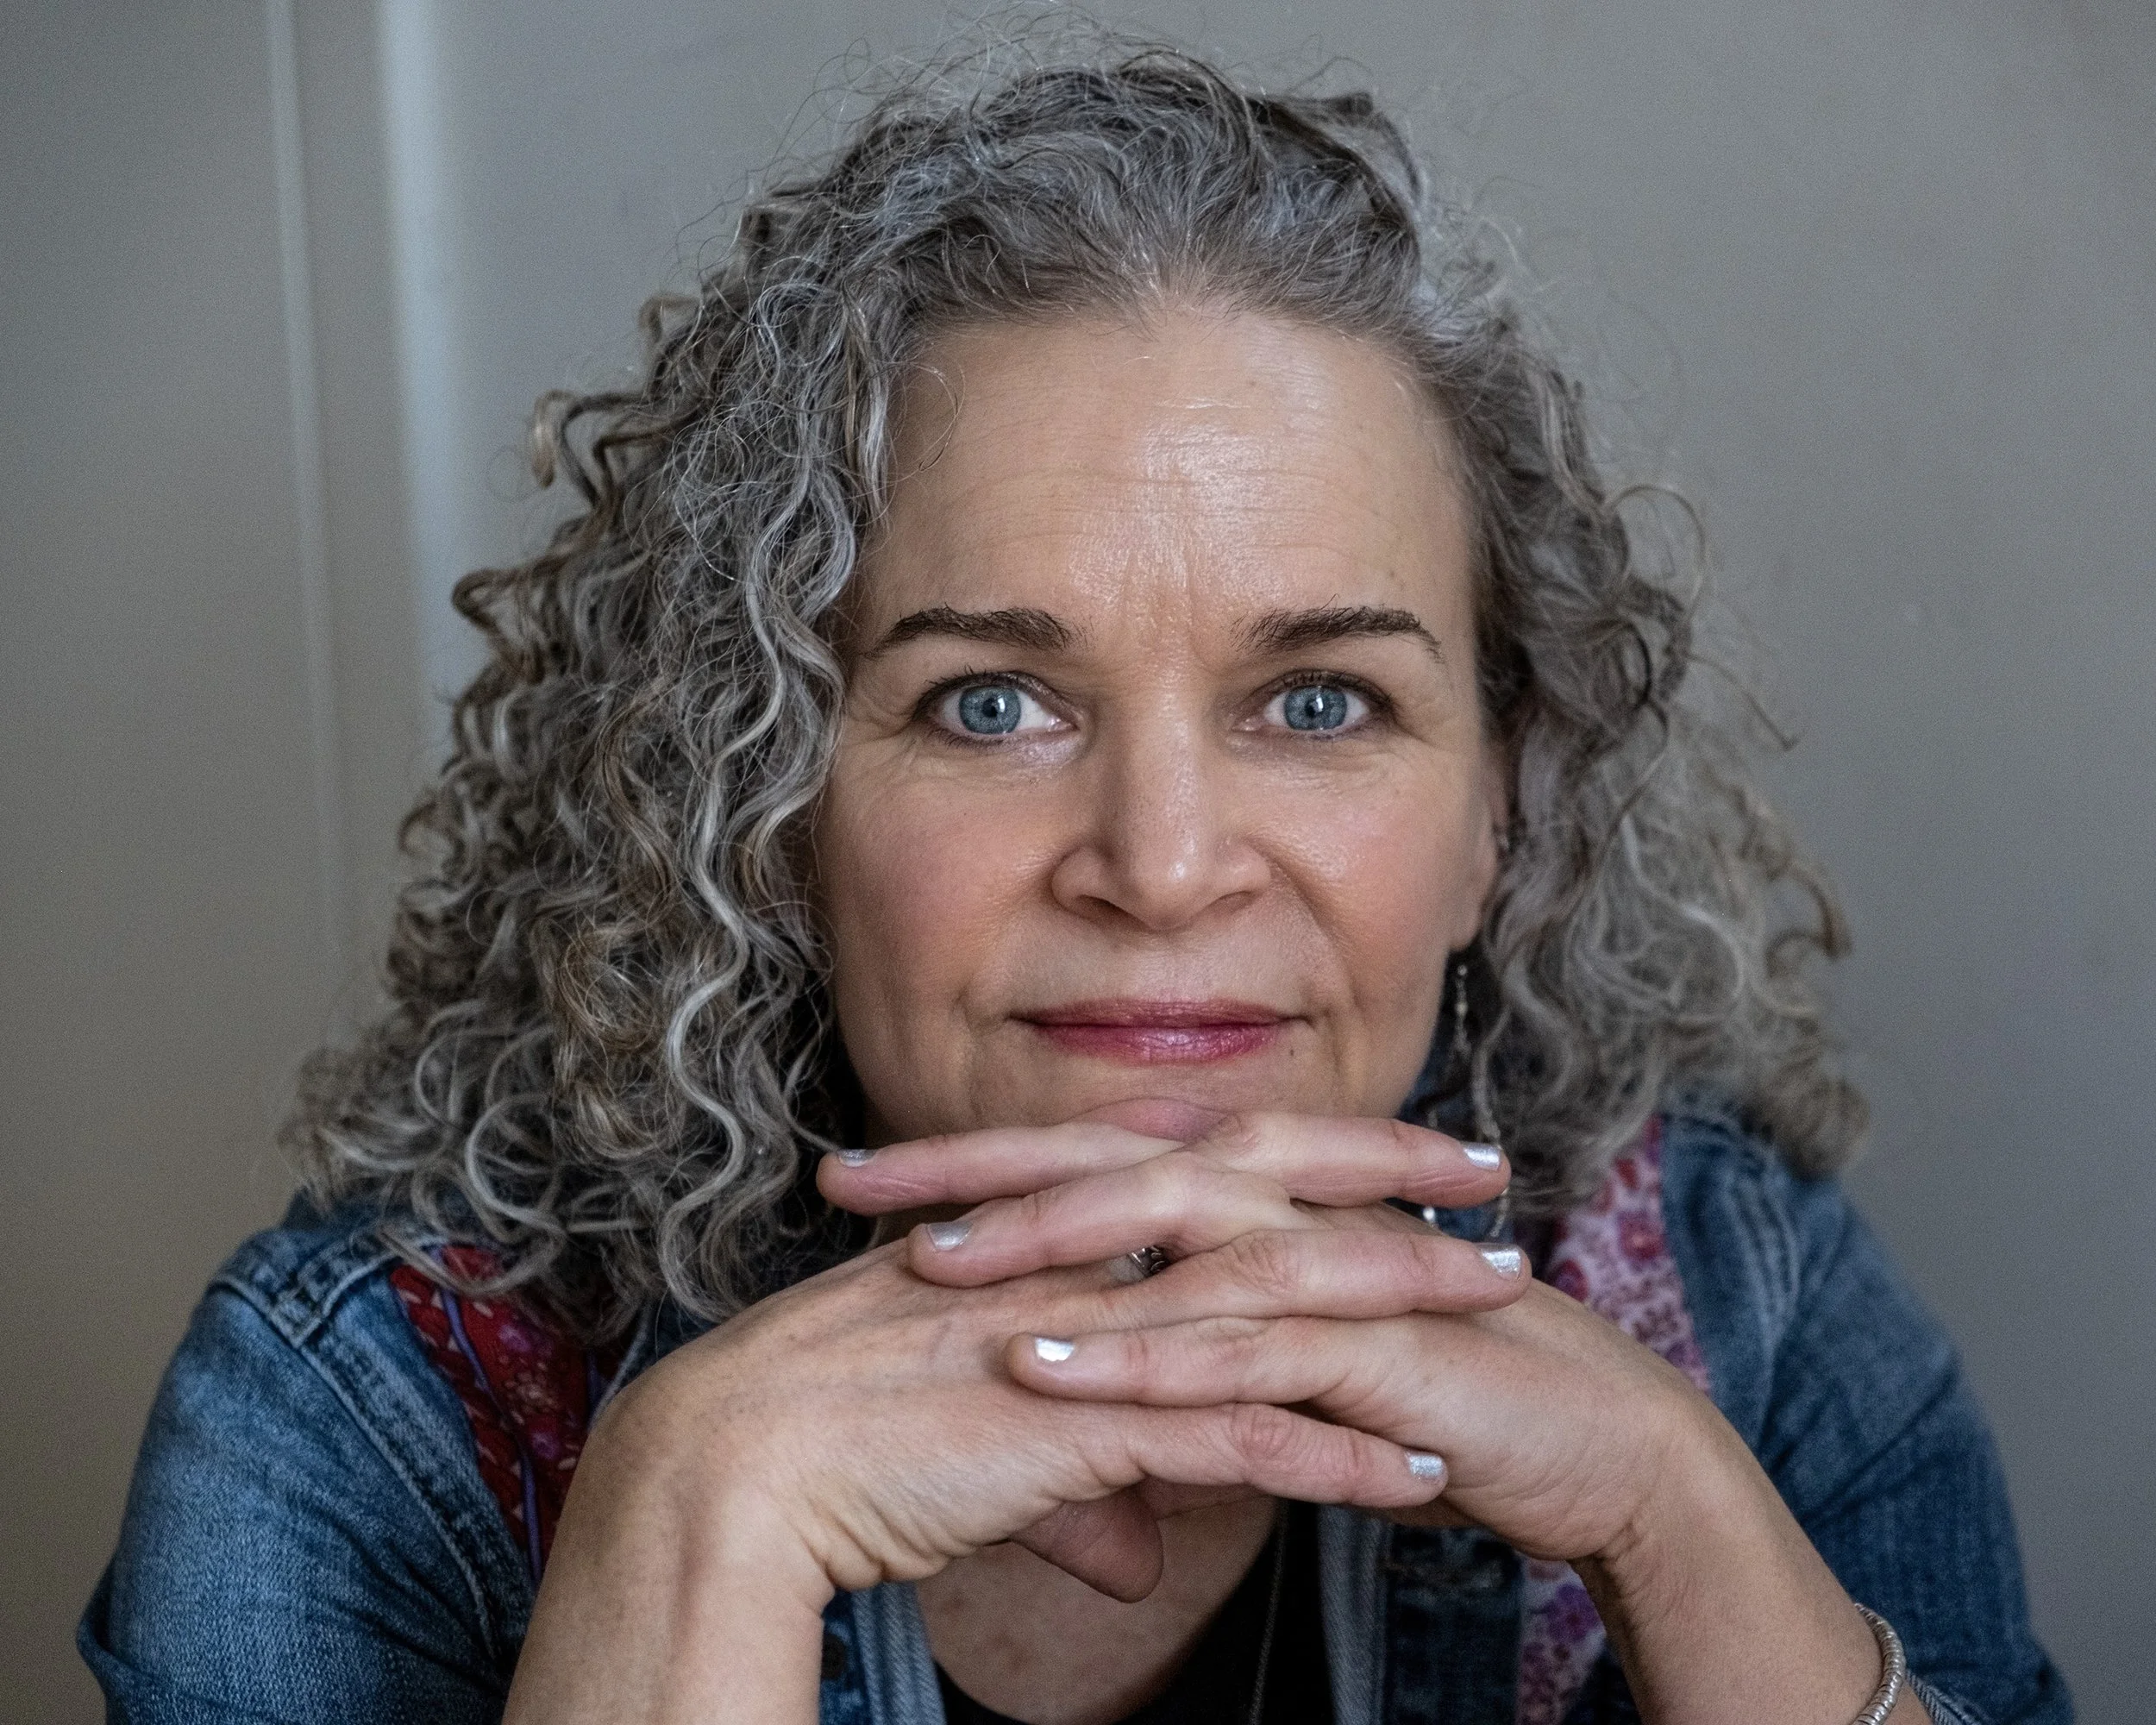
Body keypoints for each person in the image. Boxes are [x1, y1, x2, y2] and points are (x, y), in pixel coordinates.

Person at [82, 34, 2069, 1725]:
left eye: (1315, 701)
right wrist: (685, 1543)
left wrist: (1686, 1540)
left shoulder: (1750, 1309)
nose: (1164, 864)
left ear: (1499, 818)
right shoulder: (361, 1414)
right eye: (987, 705)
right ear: (769, 801)